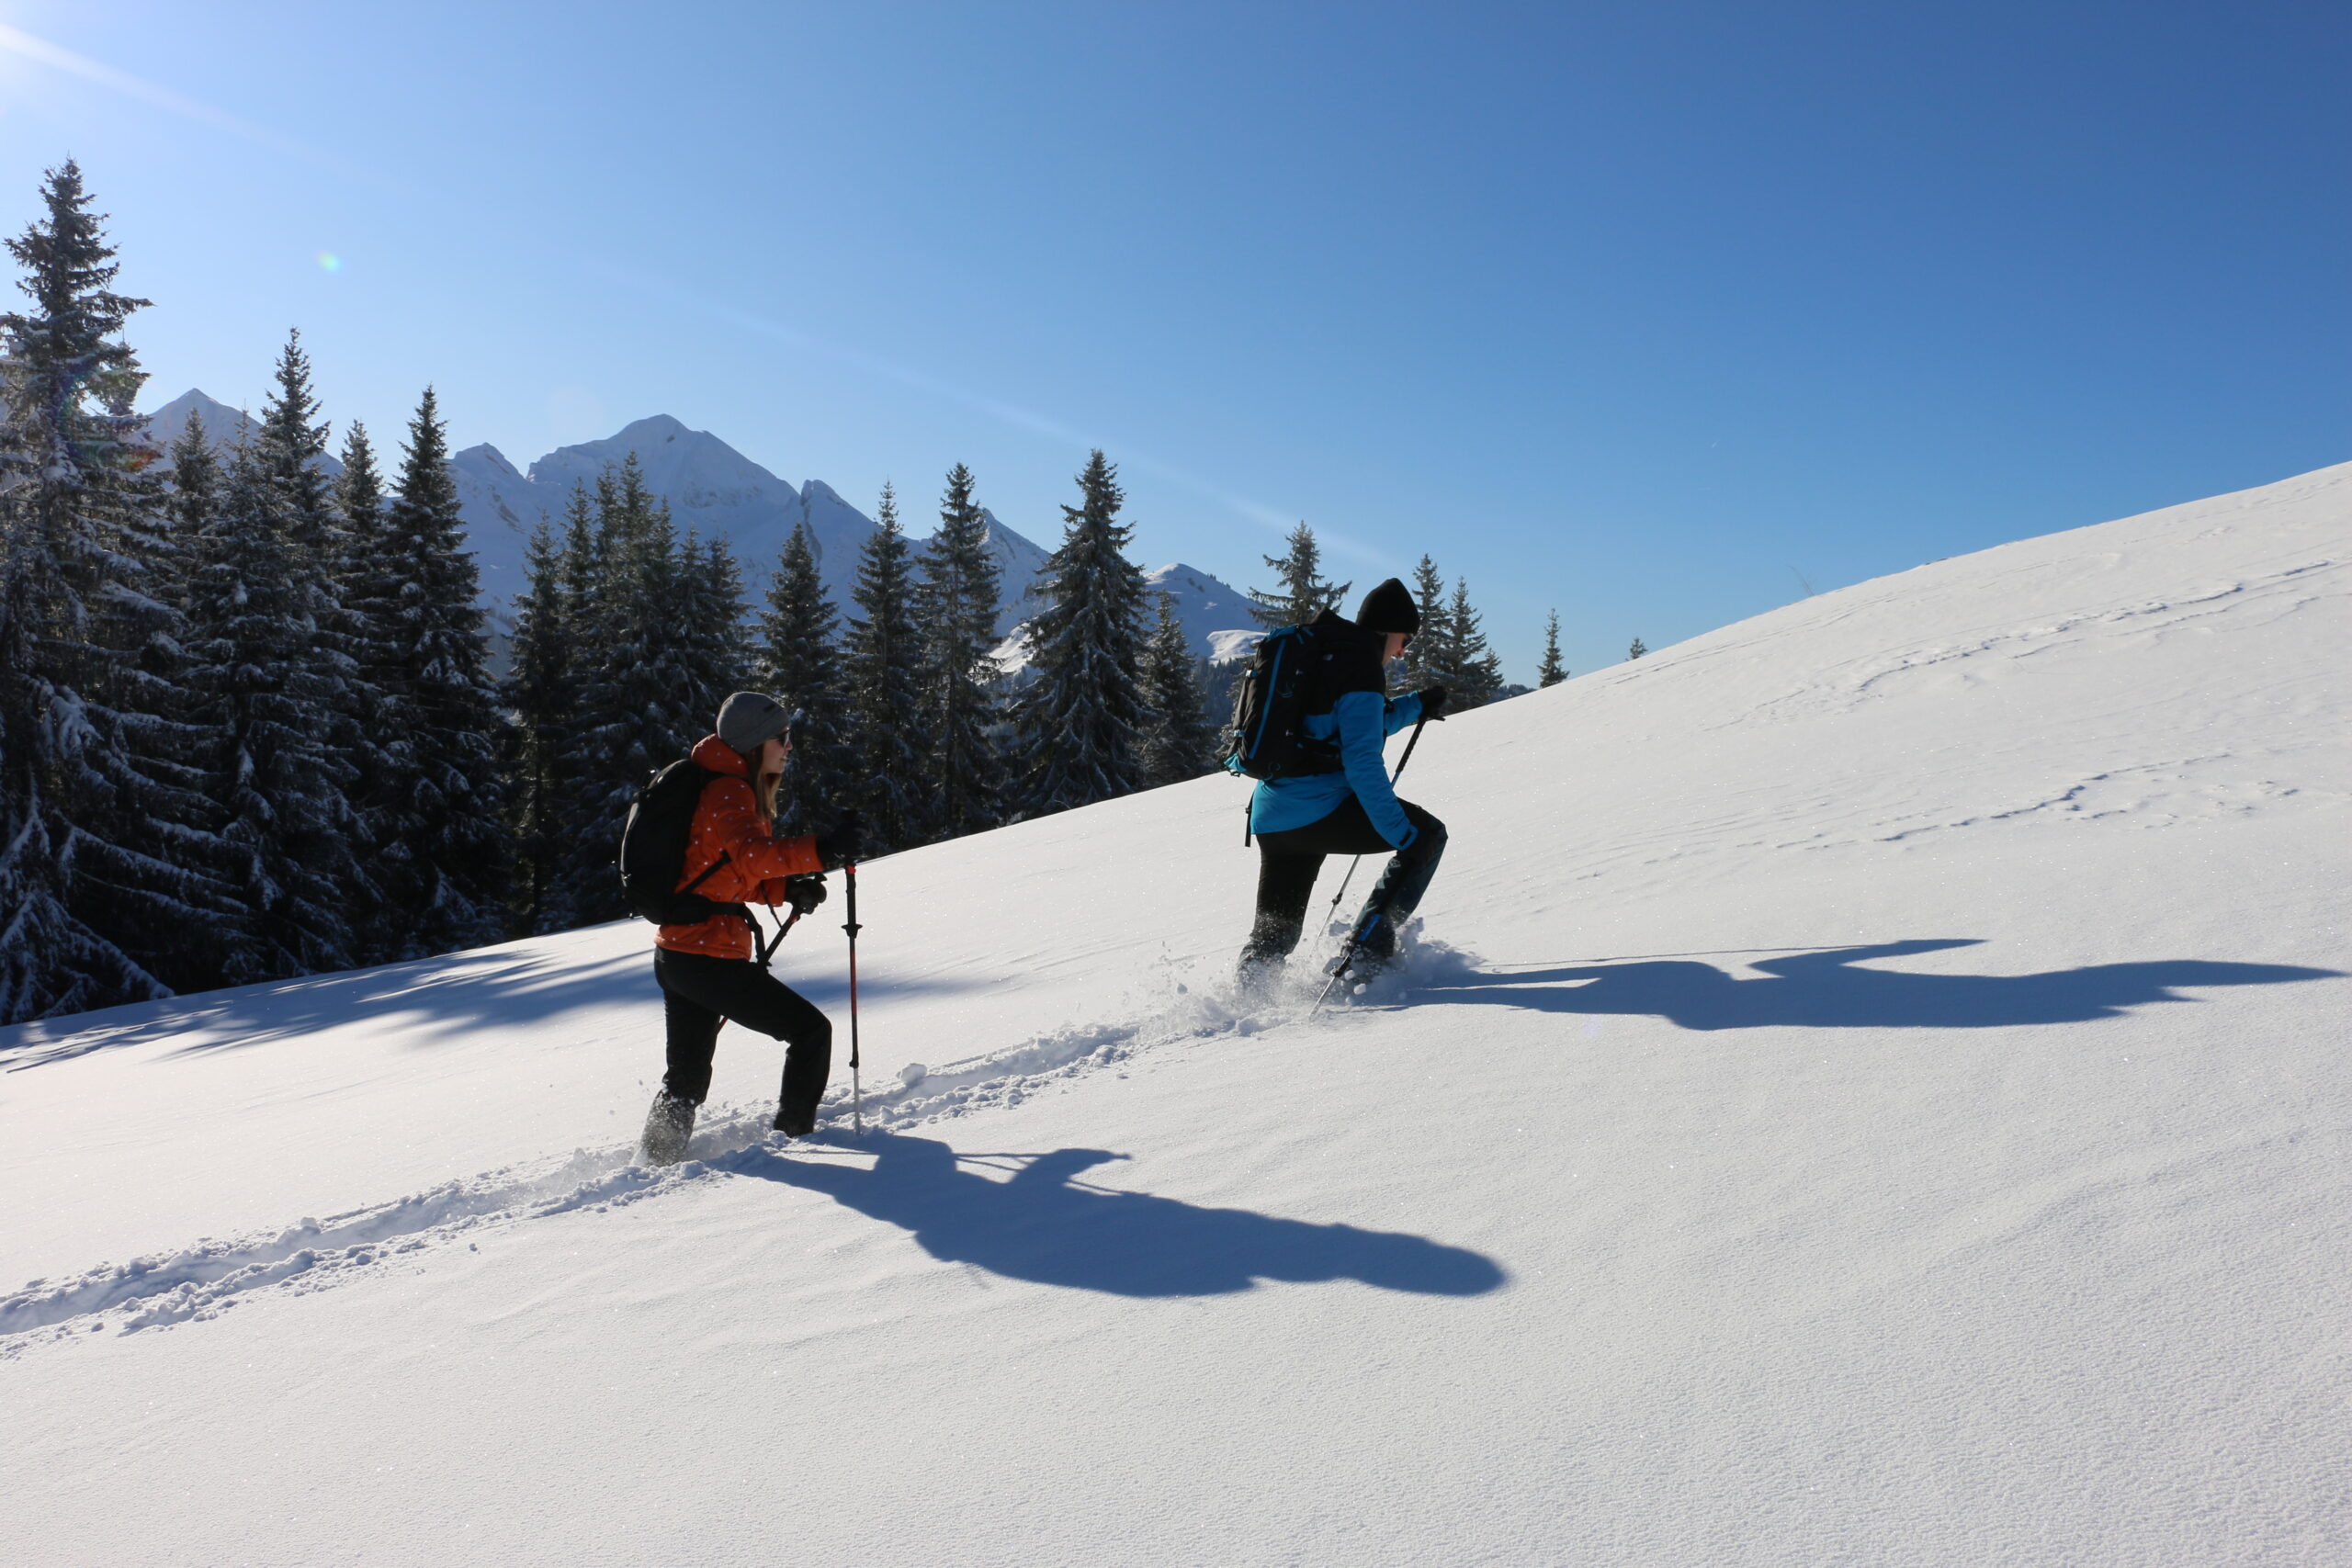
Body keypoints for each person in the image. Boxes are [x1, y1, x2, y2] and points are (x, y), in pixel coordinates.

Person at [639, 692, 860, 1164]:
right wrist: (824, 849)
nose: (789, 747)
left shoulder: (714, 782)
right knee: (810, 1032)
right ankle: (794, 1138)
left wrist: (785, 892)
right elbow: (753, 858)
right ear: (757, 742)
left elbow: (723, 874)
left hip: (678, 953)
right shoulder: (729, 790)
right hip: (707, 956)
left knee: (685, 1077)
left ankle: (653, 1164)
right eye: (783, 738)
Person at [1238, 578, 1449, 989]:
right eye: (1404, 639)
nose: (1403, 651)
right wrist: (1404, 834)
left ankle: (1245, 1002)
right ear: (1388, 629)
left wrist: (1416, 706)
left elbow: (1340, 730)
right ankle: (1365, 959)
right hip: (1320, 811)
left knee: (1275, 936)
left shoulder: (1324, 654)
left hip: (1273, 817)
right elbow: (1362, 762)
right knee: (1427, 836)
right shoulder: (1361, 669)